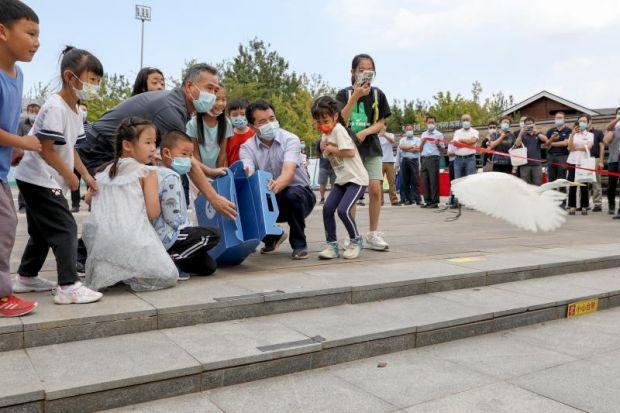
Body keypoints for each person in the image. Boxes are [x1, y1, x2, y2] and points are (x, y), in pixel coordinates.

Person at [76, 62, 237, 219]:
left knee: (126, 209)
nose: (212, 95)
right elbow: (185, 159)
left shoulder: (179, 105)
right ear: (189, 87)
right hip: (100, 149)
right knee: (118, 209)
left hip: (119, 151)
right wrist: (214, 199)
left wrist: (208, 171)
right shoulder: (171, 110)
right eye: (209, 88)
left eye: (215, 90)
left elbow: (185, 156)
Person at [13, 46, 102, 304]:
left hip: (41, 177)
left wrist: (85, 176)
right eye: (92, 79)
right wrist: (69, 176)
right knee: (65, 227)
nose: (95, 85)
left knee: (42, 231)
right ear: (70, 77)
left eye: (98, 80)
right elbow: (45, 148)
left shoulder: (77, 110)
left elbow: (70, 146)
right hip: (37, 176)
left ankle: (26, 277)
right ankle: (67, 286)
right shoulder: (55, 107)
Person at [83, 118, 178, 291]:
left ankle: (118, 270)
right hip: (133, 241)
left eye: (154, 143)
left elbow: (88, 199)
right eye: (147, 142)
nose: (152, 148)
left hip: (103, 244)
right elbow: (153, 212)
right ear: (127, 145)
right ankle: (133, 271)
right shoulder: (147, 172)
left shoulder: (104, 171)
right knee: (169, 275)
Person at [0, 0, 41, 317]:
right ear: (2, 31)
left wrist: (12, 147)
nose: (36, 42)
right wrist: (22, 142)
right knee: (6, 224)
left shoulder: (18, 75)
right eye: (29, 33)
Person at [240, 100, 316, 260]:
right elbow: (249, 172)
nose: (269, 124)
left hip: (301, 197)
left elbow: (288, 172)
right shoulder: (247, 147)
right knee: (244, 199)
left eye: (272, 118)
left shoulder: (291, 139)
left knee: (291, 194)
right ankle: (272, 238)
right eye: (262, 121)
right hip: (269, 196)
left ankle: (299, 244)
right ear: (253, 127)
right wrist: (246, 175)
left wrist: (274, 187)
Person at [336, 53, 391, 251]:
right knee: (352, 193)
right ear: (352, 72)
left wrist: (365, 132)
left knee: (375, 188)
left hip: (371, 147)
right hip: (349, 150)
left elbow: (381, 123)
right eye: (361, 70)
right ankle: (352, 235)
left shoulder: (378, 94)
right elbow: (340, 119)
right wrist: (356, 96)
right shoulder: (343, 95)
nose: (366, 75)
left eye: (370, 71)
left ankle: (373, 233)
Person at [154, 130, 220, 279]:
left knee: (208, 267)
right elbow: (172, 218)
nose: (188, 160)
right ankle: (168, 260)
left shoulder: (170, 174)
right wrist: (189, 229)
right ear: (166, 152)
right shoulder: (168, 176)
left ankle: (178, 261)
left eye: (190, 156)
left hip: (172, 233)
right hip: (169, 234)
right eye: (184, 154)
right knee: (213, 234)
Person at [313, 96, 368, 260]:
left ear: (335, 116)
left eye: (326, 118)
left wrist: (330, 148)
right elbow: (327, 153)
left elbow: (349, 152)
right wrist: (324, 148)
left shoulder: (338, 130)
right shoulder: (326, 134)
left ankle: (356, 241)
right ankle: (332, 245)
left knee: (343, 210)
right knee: (327, 208)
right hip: (342, 179)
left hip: (356, 179)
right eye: (319, 120)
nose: (322, 123)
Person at [186, 86, 231, 175]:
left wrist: (218, 174)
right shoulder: (193, 124)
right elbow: (195, 154)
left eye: (223, 99)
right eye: (216, 99)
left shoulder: (227, 123)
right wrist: (204, 175)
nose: (220, 103)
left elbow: (222, 153)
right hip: (198, 172)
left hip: (217, 172)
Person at [566, 115, 594, 215]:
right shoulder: (572, 134)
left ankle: (584, 206)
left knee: (584, 185)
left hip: (584, 162)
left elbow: (588, 147)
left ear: (587, 123)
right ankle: (572, 206)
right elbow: (569, 148)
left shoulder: (590, 135)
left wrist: (576, 148)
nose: (582, 122)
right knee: (572, 184)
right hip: (572, 161)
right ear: (578, 122)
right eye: (580, 121)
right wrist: (573, 134)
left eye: (584, 121)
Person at [16, 102, 40, 212]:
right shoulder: (22, 124)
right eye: (32, 112)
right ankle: (22, 205)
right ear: (28, 112)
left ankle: (35, 205)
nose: (34, 114)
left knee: (37, 183)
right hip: (24, 157)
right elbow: (18, 138)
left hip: (38, 158)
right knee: (24, 181)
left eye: (36, 112)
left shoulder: (41, 124)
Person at [545, 111, 572, 203]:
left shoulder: (568, 131)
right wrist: (551, 139)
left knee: (562, 180)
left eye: (560, 118)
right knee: (551, 180)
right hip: (551, 156)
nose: (558, 119)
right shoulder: (550, 131)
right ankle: (552, 202)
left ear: (564, 119)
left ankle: (562, 202)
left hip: (563, 157)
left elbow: (565, 143)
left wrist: (551, 143)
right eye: (557, 118)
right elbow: (545, 144)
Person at [420, 115, 445, 208]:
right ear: (426, 123)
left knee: (433, 180)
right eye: (429, 122)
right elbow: (420, 149)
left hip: (433, 158)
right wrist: (422, 142)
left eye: (432, 122)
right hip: (424, 158)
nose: (430, 124)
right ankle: (428, 201)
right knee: (424, 181)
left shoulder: (438, 134)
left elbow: (443, 150)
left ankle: (435, 202)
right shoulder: (423, 134)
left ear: (435, 123)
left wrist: (438, 144)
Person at [514, 116, 547, 184]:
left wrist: (536, 133)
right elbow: (517, 144)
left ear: (534, 124)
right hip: (524, 165)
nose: (529, 125)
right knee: (525, 185)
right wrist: (521, 133)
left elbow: (546, 140)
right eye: (527, 124)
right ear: (524, 125)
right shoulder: (522, 134)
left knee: (537, 184)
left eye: (530, 124)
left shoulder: (538, 134)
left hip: (536, 164)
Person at [225, 98, 254, 165]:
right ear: (229, 116)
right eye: (235, 115)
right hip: (232, 171)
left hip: (251, 171)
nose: (239, 117)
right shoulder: (228, 135)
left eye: (243, 114)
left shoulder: (254, 134)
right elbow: (225, 155)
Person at [398, 125, 422, 205]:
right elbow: (401, 147)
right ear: (405, 131)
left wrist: (407, 148)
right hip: (405, 161)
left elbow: (418, 149)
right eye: (407, 129)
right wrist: (412, 147)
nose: (409, 131)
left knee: (415, 181)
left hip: (414, 161)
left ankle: (418, 199)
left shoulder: (418, 139)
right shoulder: (402, 139)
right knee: (405, 181)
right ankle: (408, 199)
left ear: (413, 130)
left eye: (410, 129)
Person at [604, 108, 620, 218]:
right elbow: (606, 140)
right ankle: (611, 205)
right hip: (613, 160)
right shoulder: (613, 127)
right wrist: (618, 119)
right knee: (611, 185)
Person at [452, 114, 479, 179]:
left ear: (470, 121)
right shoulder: (457, 132)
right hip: (458, 160)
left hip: (470, 160)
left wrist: (461, 140)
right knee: (457, 181)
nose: (465, 121)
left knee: (470, 181)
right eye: (463, 120)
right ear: (461, 121)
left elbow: (472, 141)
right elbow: (455, 144)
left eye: (467, 120)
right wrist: (468, 144)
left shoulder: (475, 131)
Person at [586, 120, 605, 212]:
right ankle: (584, 203)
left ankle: (597, 203)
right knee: (584, 182)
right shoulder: (581, 133)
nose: (584, 123)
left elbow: (601, 146)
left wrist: (601, 161)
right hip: (583, 160)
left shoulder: (598, 133)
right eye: (581, 121)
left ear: (590, 122)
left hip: (595, 159)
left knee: (596, 182)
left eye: (585, 121)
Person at [378, 125, 399, 206]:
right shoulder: (376, 136)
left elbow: (392, 141)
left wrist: (384, 135)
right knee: (379, 182)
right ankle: (380, 201)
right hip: (379, 161)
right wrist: (380, 134)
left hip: (390, 161)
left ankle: (394, 200)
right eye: (381, 126)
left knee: (392, 182)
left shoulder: (390, 134)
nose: (382, 127)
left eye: (384, 126)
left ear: (386, 127)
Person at [315, 138, 336, 205]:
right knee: (322, 183)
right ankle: (322, 198)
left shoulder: (335, 139)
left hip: (334, 166)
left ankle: (332, 199)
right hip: (323, 166)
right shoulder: (320, 140)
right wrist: (322, 156)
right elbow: (317, 152)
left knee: (334, 184)